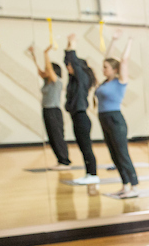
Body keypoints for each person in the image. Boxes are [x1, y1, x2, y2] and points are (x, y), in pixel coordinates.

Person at [96, 34, 139, 198]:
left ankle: (134, 186)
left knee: (122, 153)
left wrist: (129, 41)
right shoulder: (105, 83)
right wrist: (113, 41)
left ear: (114, 69)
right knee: (114, 154)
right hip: (104, 120)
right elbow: (108, 58)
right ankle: (125, 185)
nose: (103, 69)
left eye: (106, 67)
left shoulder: (120, 81)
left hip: (115, 119)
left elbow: (124, 61)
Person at [26, 43, 70, 170]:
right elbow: (39, 70)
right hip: (47, 110)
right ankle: (60, 160)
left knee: (57, 136)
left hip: (54, 111)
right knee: (52, 137)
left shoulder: (57, 82)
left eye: (48, 69)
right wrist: (33, 55)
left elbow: (48, 69)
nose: (45, 71)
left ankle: (64, 161)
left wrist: (46, 53)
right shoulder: (47, 82)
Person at [64, 34, 98, 185]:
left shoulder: (82, 77)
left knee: (87, 148)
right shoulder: (74, 82)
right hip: (77, 117)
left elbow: (73, 62)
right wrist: (67, 47)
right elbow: (69, 62)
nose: (68, 67)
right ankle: (89, 173)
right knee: (83, 148)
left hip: (82, 117)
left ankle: (93, 174)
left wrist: (73, 45)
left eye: (70, 65)